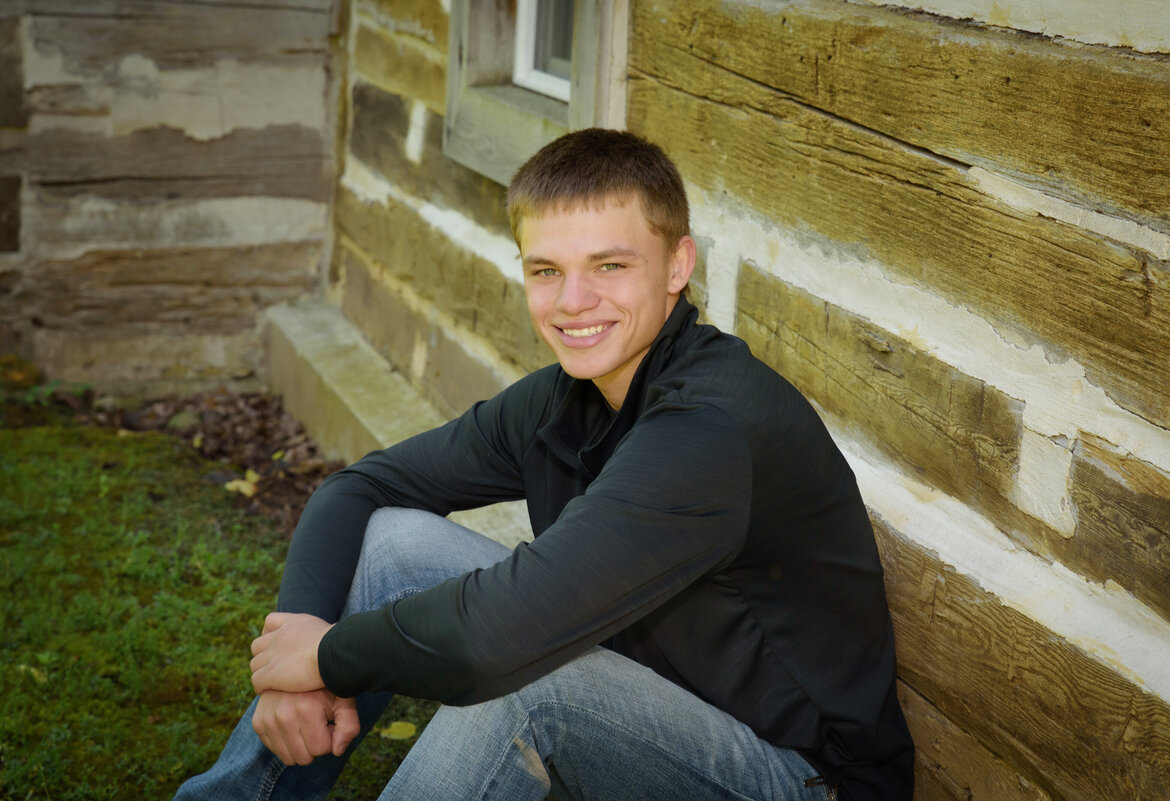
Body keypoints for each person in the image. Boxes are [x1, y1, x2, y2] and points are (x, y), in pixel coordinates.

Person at [175, 128, 913, 801]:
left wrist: (327, 656)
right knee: (394, 540)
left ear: (677, 265)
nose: (573, 301)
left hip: (801, 777)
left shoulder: (708, 429)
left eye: (610, 265)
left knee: (529, 684)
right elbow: (359, 487)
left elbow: (490, 640)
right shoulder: (569, 397)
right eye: (545, 270)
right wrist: (297, 649)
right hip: (662, 700)